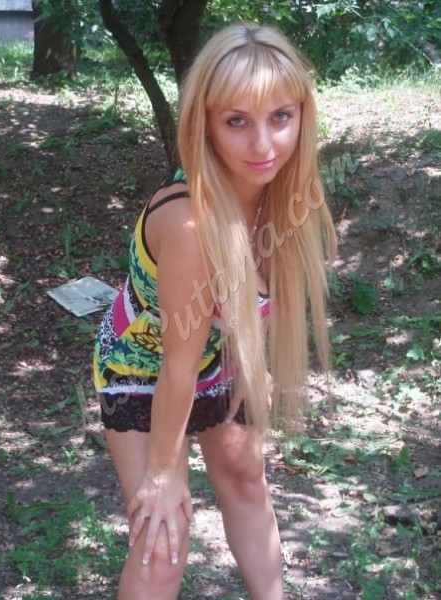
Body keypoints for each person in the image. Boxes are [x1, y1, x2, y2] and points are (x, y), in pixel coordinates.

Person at [93, 21, 337, 600]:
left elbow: (250, 307)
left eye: (281, 116)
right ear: (204, 123)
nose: (264, 145)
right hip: (144, 372)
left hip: (216, 356)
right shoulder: (191, 226)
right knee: (162, 539)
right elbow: (177, 365)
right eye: (237, 121)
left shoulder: (281, 195)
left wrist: (257, 366)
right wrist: (161, 472)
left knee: (247, 482)